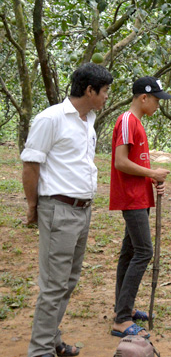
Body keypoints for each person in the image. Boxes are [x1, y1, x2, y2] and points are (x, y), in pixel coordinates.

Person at [21, 63, 113, 357]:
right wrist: (33, 205)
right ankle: (40, 350)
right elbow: (31, 165)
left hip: (82, 210)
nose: (107, 97)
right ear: (90, 90)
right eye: (105, 91)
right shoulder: (51, 119)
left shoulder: (89, 120)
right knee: (53, 284)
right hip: (59, 208)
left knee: (68, 281)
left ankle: (51, 338)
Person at [109, 77, 171, 339]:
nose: (158, 104)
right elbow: (121, 162)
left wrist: (152, 179)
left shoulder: (137, 124)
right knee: (144, 251)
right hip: (131, 198)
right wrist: (153, 172)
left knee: (130, 251)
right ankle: (122, 320)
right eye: (156, 99)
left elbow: (137, 162)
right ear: (143, 97)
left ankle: (122, 308)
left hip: (140, 196)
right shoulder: (126, 121)